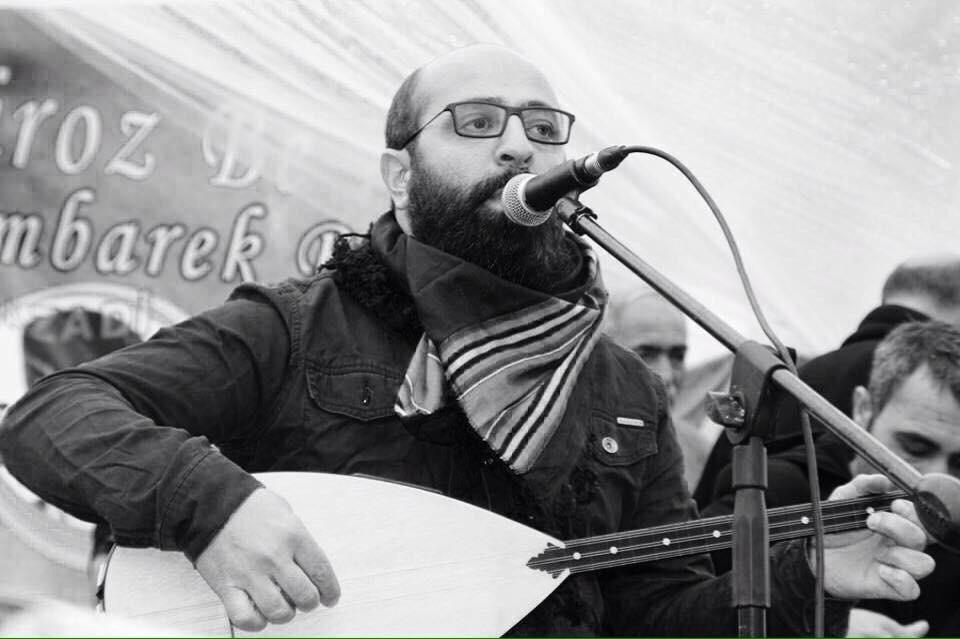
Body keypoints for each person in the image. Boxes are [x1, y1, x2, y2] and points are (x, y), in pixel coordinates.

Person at [0, 44, 934, 636]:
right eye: (478, 124)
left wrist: (808, 571)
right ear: (399, 175)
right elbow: (52, 413)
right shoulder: (296, 326)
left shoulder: (621, 389)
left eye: (542, 127)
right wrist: (212, 504)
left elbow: (652, 610)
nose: (519, 145)